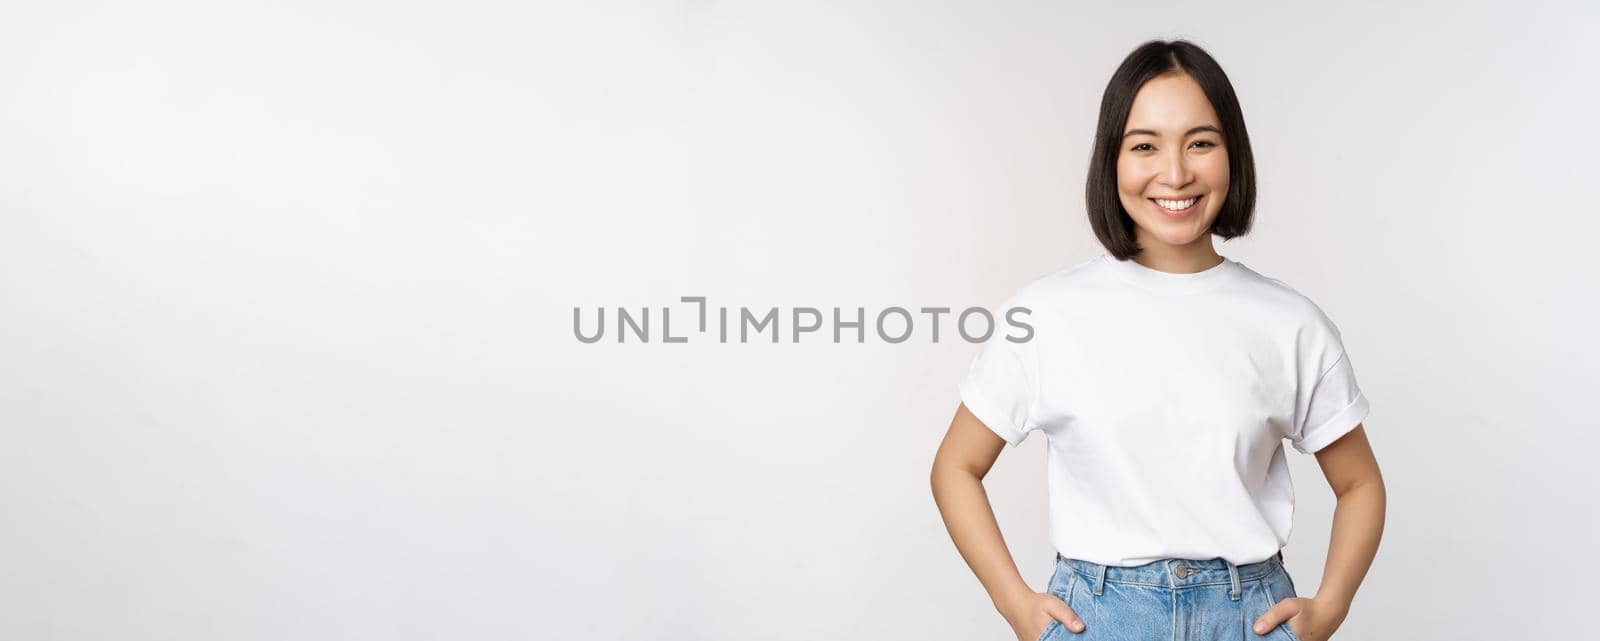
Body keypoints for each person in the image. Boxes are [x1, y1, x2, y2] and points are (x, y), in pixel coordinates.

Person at [929, 40, 1386, 641]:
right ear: (1111, 160)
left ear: (1233, 155)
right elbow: (955, 467)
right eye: (1144, 146)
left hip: (1248, 615)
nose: (1175, 173)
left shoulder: (1290, 323)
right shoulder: (1047, 313)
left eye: (1201, 142)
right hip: (1099, 616)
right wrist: (1014, 602)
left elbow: (1360, 484)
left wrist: (1330, 606)